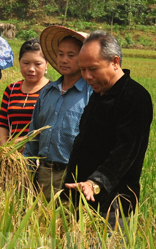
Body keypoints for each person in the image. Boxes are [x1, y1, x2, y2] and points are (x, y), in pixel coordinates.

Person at [64, 31, 153, 228]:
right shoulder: (100, 93)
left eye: (93, 69)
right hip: (83, 198)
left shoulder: (135, 97)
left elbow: (126, 150)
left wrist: (96, 183)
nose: (87, 76)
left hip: (113, 207)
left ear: (115, 62)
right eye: (83, 69)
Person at [23, 26, 93, 201]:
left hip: (75, 177)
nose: (64, 60)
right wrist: (27, 172)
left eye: (71, 55)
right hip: (44, 174)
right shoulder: (47, 93)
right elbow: (33, 136)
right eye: (60, 54)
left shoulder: (91, 95)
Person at [0, 38, 50, 148]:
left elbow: (50, 128)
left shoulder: (52, 91)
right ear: (19, 62)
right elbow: (2, 123)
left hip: (40, 156)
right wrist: (5, 148)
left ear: (46, 64)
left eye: (37, 64)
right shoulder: (11, 90)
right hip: (12, 155)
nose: (31, 69)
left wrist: (21, 142)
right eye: (26, 63)